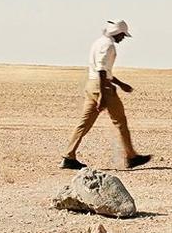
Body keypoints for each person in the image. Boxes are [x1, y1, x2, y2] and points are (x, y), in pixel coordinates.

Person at [60, 20, 152, 170]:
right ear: (117, 33)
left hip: (92, 84)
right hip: (102, 87)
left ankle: (68, 156)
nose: (122, 39)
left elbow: (103, 70)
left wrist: (120, 84)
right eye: (122, 35)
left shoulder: (98, 42)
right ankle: (131, 157)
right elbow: (102, 70)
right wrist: (103, 94)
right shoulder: (108, 45)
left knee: (84, 123)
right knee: (120, 122)